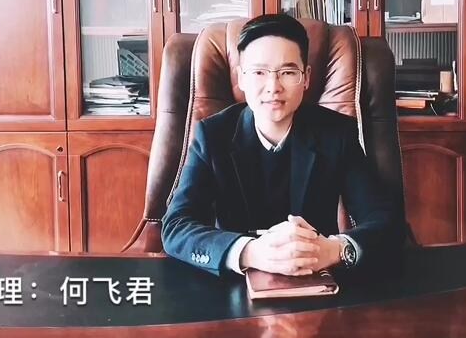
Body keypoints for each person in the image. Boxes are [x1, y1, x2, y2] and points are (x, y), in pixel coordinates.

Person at [162, 14, 405, 277]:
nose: (273, 87)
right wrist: (249, 252)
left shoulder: (337, 133)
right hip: (237, 283)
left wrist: (335, 249)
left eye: (288, 72)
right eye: (259, 72)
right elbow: (176, 226)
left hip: (316, 275)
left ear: (306, 77)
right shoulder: (213, 136)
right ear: (241, 78)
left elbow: (385, 221)